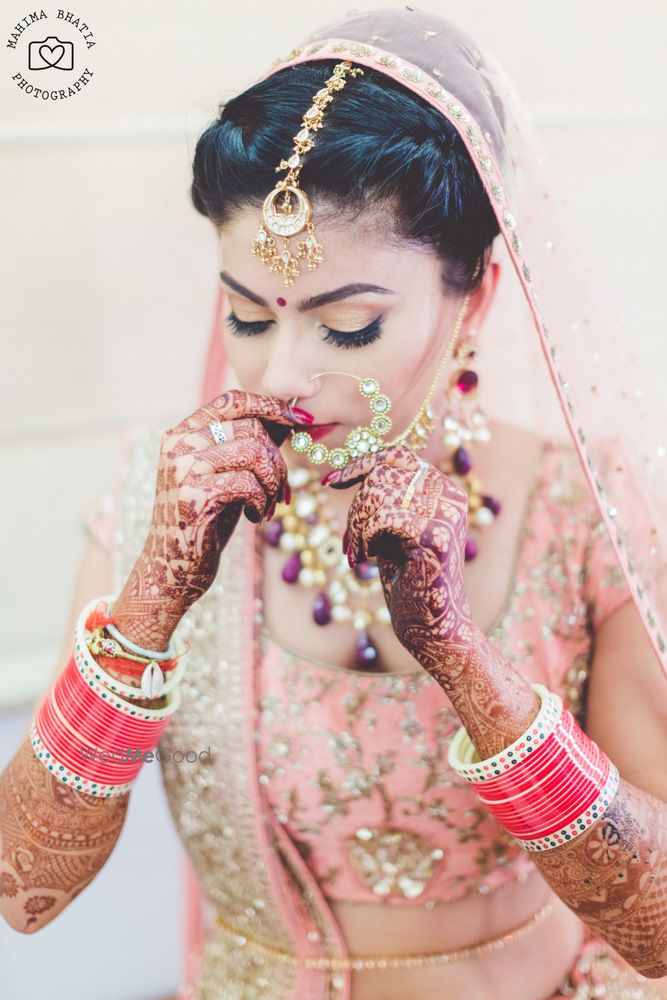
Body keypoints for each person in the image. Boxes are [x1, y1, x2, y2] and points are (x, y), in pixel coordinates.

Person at [2, 7, 667, 999]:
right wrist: (150, 602)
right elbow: (27, 892)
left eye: (348, 326)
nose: (282, 374)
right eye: (242, 314)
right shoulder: (166, 497)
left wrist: (460, 657)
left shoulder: (582, 505)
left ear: (472, 298)